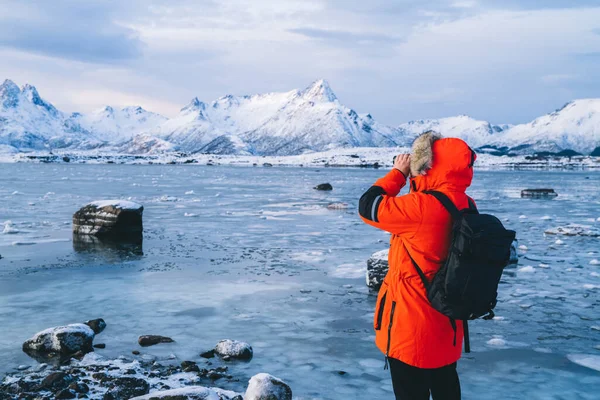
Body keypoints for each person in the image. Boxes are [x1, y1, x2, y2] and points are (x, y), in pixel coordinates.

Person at [358, 131, 477, 400]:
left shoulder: (421, 207)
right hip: (448, 325)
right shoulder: (466, 204)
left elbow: (369, 205)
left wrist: (398, 174)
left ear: (427, 165)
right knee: (447, 388)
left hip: (411, 330)